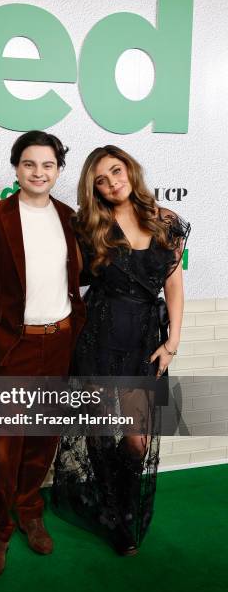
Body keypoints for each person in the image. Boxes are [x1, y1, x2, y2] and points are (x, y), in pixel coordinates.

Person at [52, 145, 190, 555]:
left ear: (129, 169)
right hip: (98, 336)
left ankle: (121, 498)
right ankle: (116, 513)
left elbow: (174, 285)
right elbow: (67, 284)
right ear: (93, 188)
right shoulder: (89, 226)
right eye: (101, 179)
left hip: (145, 341)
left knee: (136, 441)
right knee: (97, 432)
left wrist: (173, 341)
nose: (113, 182)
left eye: (116, 171)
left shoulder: (166, 221)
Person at [0, 131, 86, 579]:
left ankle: (31, 511)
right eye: (30, 164)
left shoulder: (70, 218)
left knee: (43, 442)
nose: (39, 173)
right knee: (5, 450)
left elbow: (87, 274)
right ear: (16, 168)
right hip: (14, 346)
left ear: (58, 170)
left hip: (60, 343)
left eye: (48, 165)